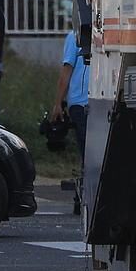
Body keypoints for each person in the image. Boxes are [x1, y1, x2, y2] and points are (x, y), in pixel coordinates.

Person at [51, 28, 89, 170]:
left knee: (85, 148)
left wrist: (58, 104)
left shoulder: (75, 36)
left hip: (79, 101)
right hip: (88, 100)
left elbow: (66, 71)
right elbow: (66, 72)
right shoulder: (77, 36)